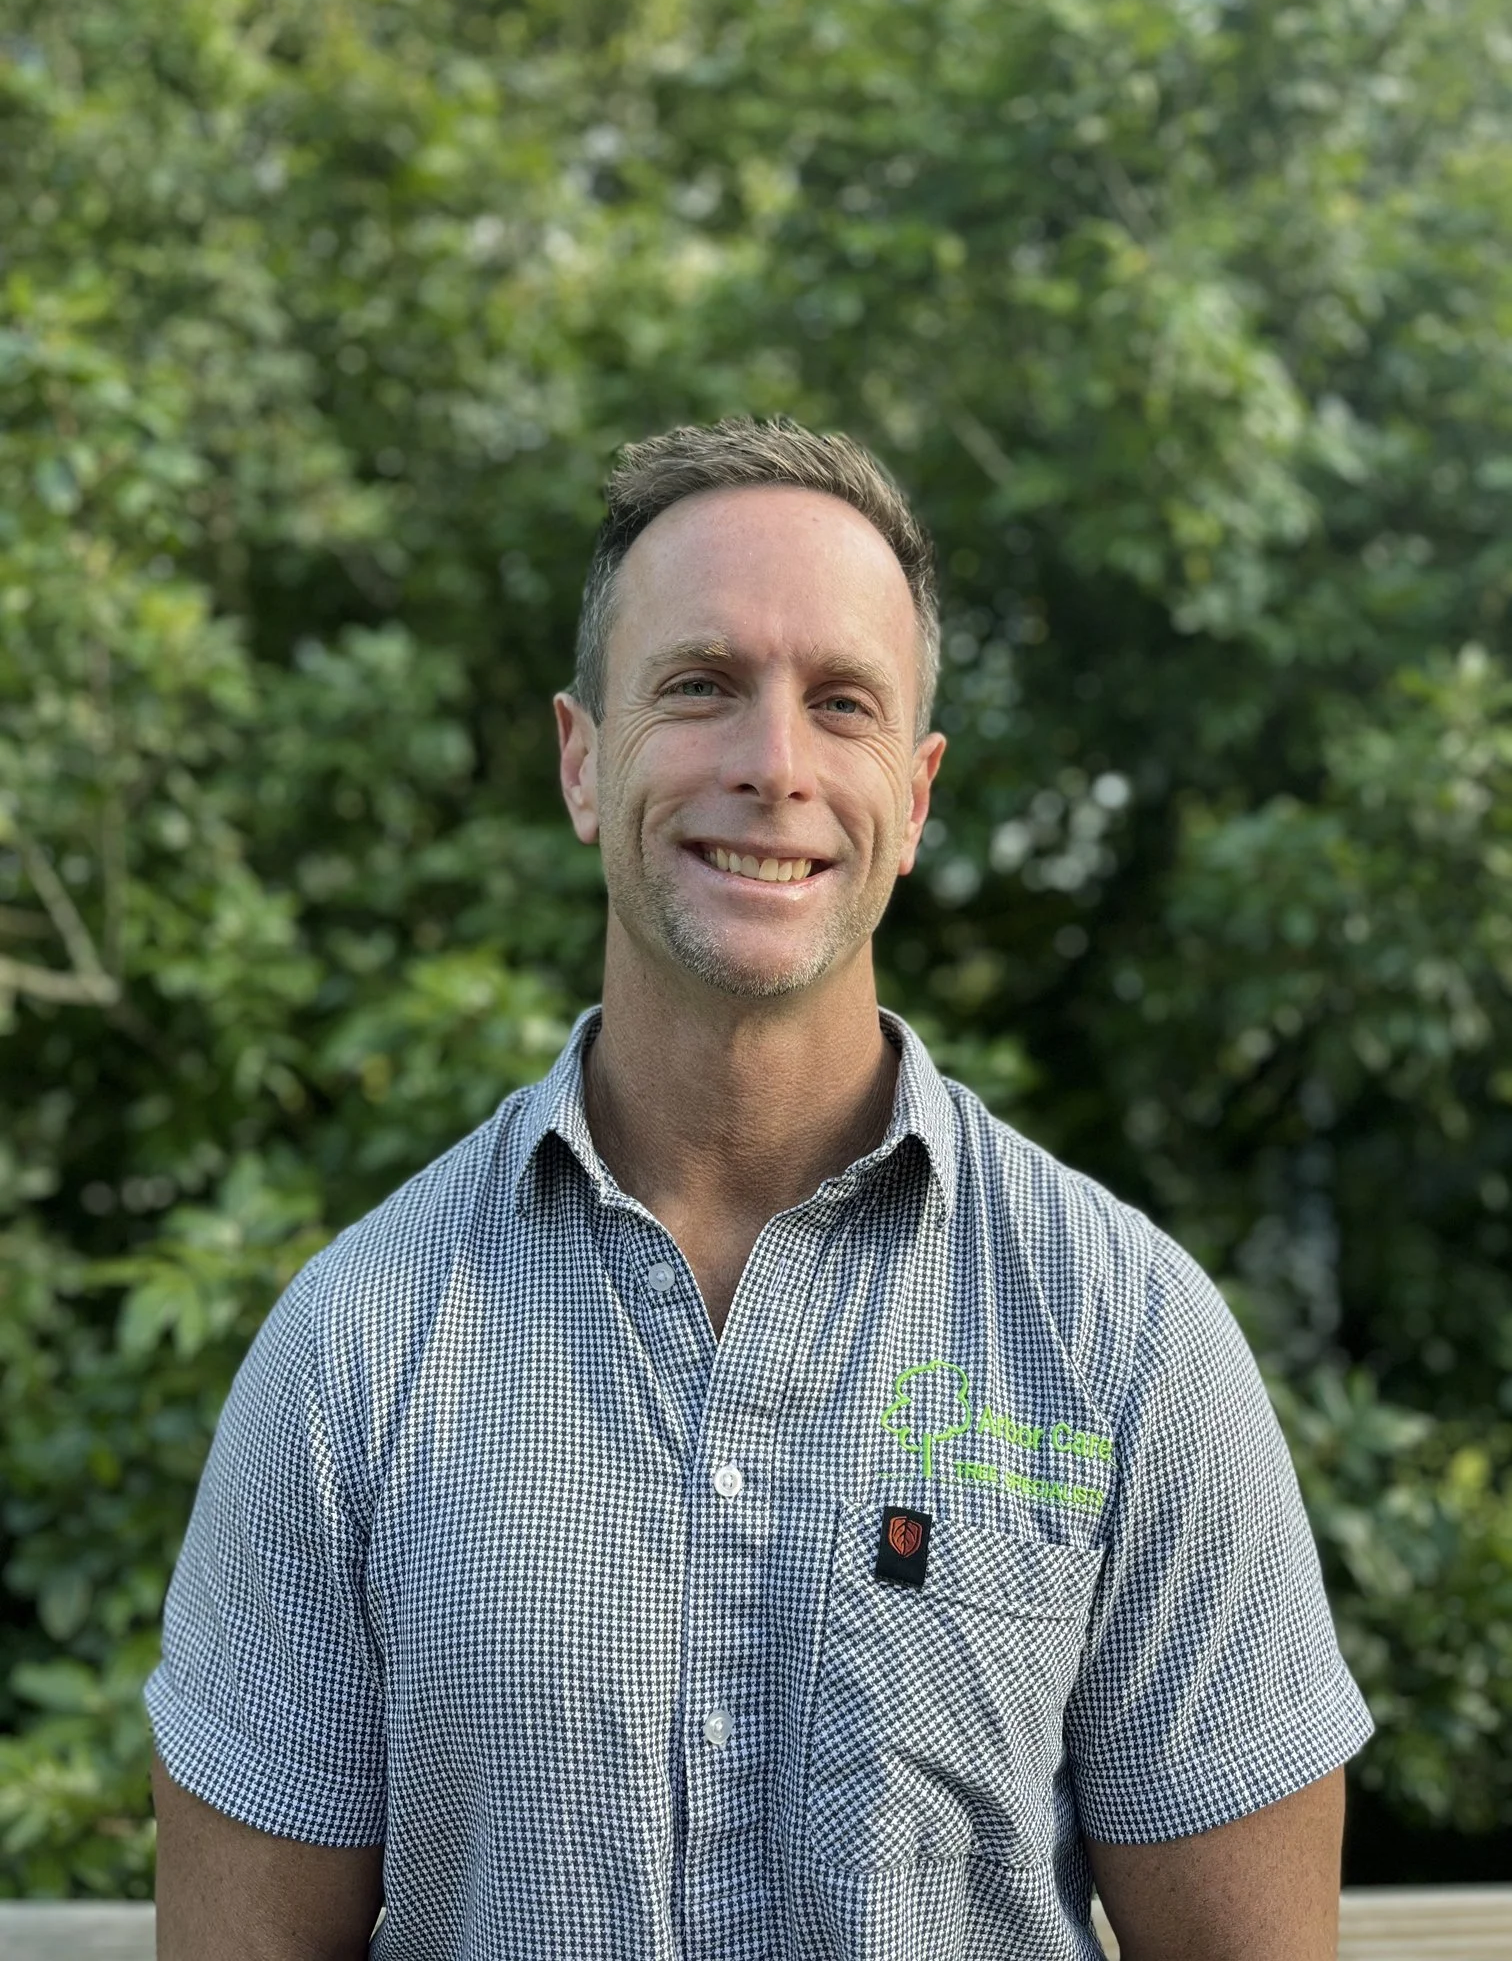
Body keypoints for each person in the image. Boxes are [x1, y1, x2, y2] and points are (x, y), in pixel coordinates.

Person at [149, 416, 1373, 1961]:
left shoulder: (1128, 1344)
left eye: (841, 704)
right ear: (585, 762)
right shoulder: (353, 1355)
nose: (774, 764)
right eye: (701, 686)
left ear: (915, 799)